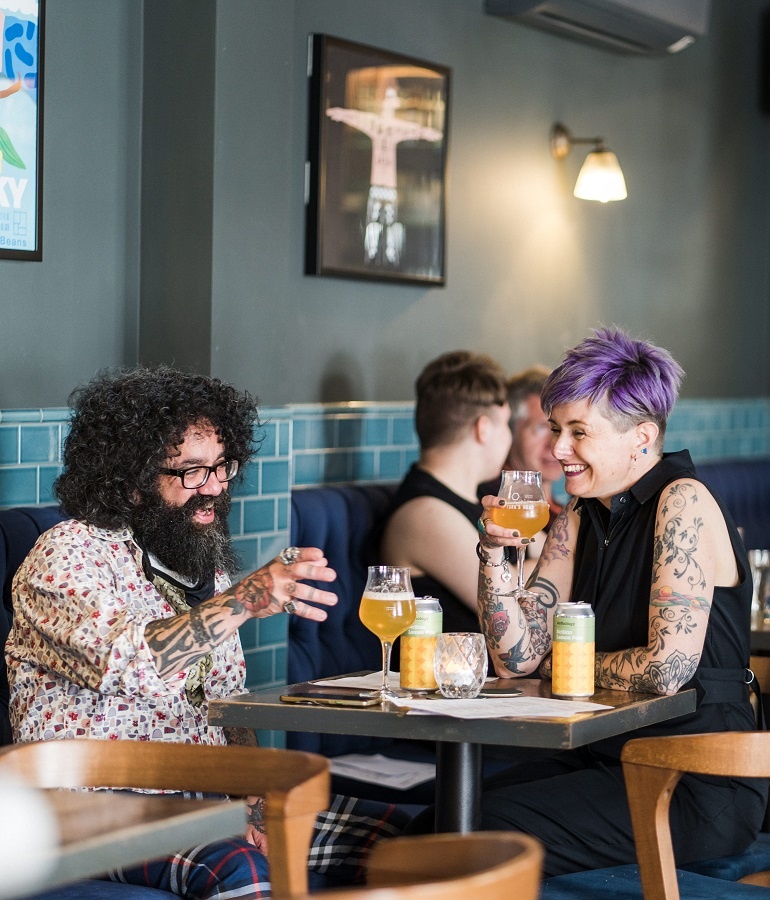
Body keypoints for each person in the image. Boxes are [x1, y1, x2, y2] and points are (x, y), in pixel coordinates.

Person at [6, 366, 408, 898]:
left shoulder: (200, 566)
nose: (215, 487)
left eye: (221, 466)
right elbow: (130, 660)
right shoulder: (66, 556)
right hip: (89, 812)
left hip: (206, 800)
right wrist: (245, 599)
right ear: (128, 481)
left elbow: (224, 703)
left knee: (406, 838)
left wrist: (259, 798)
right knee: (237, 866)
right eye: (191, 472)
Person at [472, 327, 765, 876]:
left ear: (642, 437)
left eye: (579, 432)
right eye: (557, 429)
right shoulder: (579, 518)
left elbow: (666, 670)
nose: (559, 449)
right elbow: (516, 658)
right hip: (607, 758)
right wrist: (492, 554)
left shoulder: (684, 503)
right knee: (449, 815)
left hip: (696, 781)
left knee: (483, 826)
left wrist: (569, 663)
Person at [380, 350, 511, 634]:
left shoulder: (478, 497)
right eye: (507, 424)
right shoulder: (424, 514)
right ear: (484, 429)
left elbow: (552, 552)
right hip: (442, 677)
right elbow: (512, 601)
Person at [480, 365, 564, 557]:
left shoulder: (562, 509)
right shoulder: (495, 507)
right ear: (510, 432)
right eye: (541, 428)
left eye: (558, 429)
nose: (555, 445)